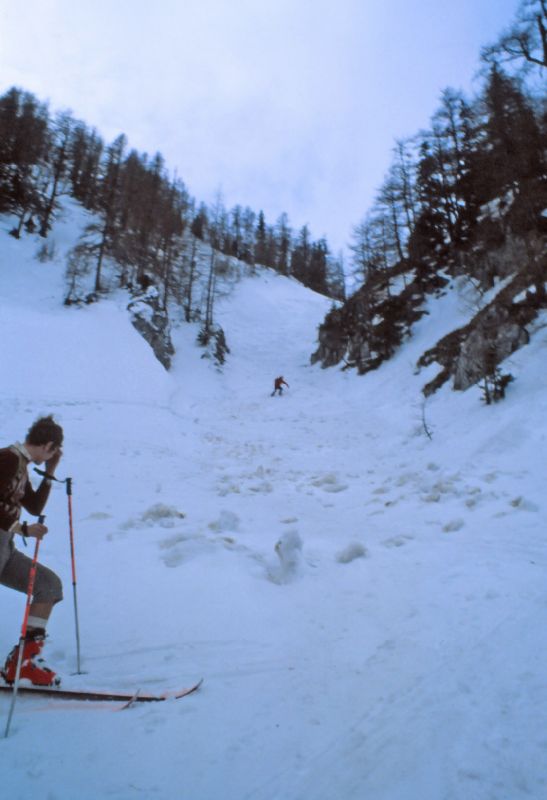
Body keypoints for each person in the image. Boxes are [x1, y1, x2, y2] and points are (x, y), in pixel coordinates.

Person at [0, 415, 64, 686]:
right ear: (48, 444)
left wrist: (50, 470)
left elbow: (35, 507)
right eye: (55, 450)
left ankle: (24, 663)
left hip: (5, 545)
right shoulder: (7, 458)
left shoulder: (21, 465)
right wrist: (21, 528)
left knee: (48, 585)